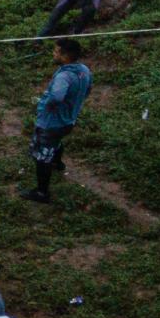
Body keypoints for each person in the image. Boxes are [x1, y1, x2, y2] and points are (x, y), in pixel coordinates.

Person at [26, 38, 92, 204]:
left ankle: (42, 192)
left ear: (65, 56)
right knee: (57, 142)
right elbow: (88, 89)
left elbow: (56, 96)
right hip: (68, 120)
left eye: (56, 51)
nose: (53, 54)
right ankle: (57, 163)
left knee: (42, 156)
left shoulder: (64, 76)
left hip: (51, 123)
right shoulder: (83, 70)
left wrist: (47, 105)